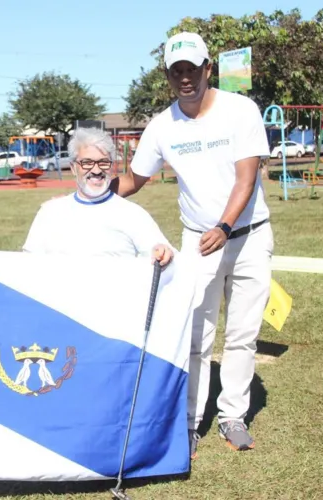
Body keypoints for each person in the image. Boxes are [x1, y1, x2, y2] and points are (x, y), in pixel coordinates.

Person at [109, 31, 274, 458]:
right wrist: (95, 186)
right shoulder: (162, 126)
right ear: (168, 75)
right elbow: (135, 180)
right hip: (197, 240)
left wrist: (224, 224)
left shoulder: (241, 110)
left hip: (249, 236)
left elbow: (247, 176)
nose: (185, 78)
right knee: (196, 335)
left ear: (208, 69)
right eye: (176, 71)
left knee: (242, 333)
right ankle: (187, 423)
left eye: (192, 69)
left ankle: (232, 415)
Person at [21, 127, 174, 266]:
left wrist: (163, 252)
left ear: (112, 166)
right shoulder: (50, 211)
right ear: (74, 168)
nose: (96, 170)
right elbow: (28, 263)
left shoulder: (133, 214)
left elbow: (163, 253)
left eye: (103, 163)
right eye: (87, 163)